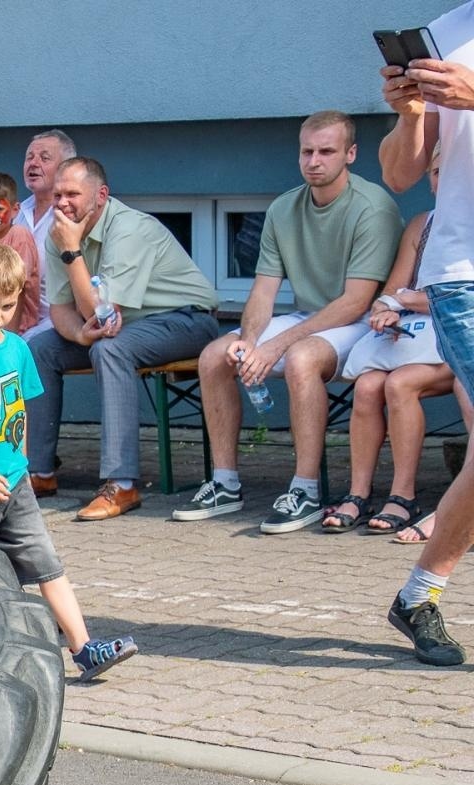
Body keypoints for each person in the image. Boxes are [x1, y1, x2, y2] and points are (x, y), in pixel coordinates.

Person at [0, 241, 137, 681]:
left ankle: (84, 649)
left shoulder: (17, 348)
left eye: (7, 306)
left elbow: (19, 407)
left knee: (47, 565)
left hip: (14, 486)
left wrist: (25, 465)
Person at [178, 112, 403, 533]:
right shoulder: (283, 207)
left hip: (367, 321)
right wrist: (249, 340)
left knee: (301, 358)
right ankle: (225, 484)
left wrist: (275, 346)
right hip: (310, 316)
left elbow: (355, 301)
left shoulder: (372, 208)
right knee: (215, 356)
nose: (314, 161)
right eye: (307, 151)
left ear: (351, 154)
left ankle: (306, 491)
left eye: (326, 151)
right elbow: (264, 289)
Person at [24, 156, 220, 519]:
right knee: (39, 349)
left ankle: (122, 484)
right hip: (123, 325)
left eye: (72, 194)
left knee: (110, 349)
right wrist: (80, 336)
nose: (62, 203)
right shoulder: (60, 232)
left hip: (185, 320)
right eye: (58, 195)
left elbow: (100, 313)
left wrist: (72, 252)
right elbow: (61, 310)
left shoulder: (129, 229)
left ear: (101, 195)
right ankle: (39, 472)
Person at [378, 1, 474, 664]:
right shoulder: (447, 32)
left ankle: (417, 596)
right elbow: (398, 173)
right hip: (464, 269)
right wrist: (410, 114)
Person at [324, 149, 453, 534]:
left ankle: (403, 496)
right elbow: (392, 291)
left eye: (453, 171)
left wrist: (408, 301)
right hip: (418, 339)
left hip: (459, 338)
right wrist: (385, 311)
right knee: (367, 386)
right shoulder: (421, 225)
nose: (443, 180)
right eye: (435, 172)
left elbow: (460, 299)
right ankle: (359, 493)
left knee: (399, 384)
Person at [13, 130, 78, 341]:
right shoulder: (17, 213)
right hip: (12, 320)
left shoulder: (72, 217)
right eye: (29, 157)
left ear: (65, 168)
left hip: (58, 322)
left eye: (44, 158)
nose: (33, 163)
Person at [0, 171, 40, 335]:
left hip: (17, 329)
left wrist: (9, 337)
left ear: (15, 210)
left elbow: (18, 290)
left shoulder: (18, 235)